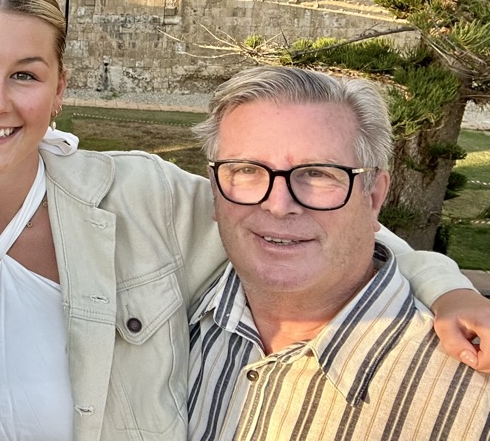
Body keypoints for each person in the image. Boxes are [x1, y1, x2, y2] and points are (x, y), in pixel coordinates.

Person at [0, 0, 490, 441]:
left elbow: (308, 218)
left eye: (26, 74)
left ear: (60, 89)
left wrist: (448, 290)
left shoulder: (144, 200)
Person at [188, 66, 490, 440]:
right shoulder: (169, 326)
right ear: (214, 191)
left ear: (374, 197)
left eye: (317, 173)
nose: (278, 205)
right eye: (247, 170)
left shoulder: (475, 402)